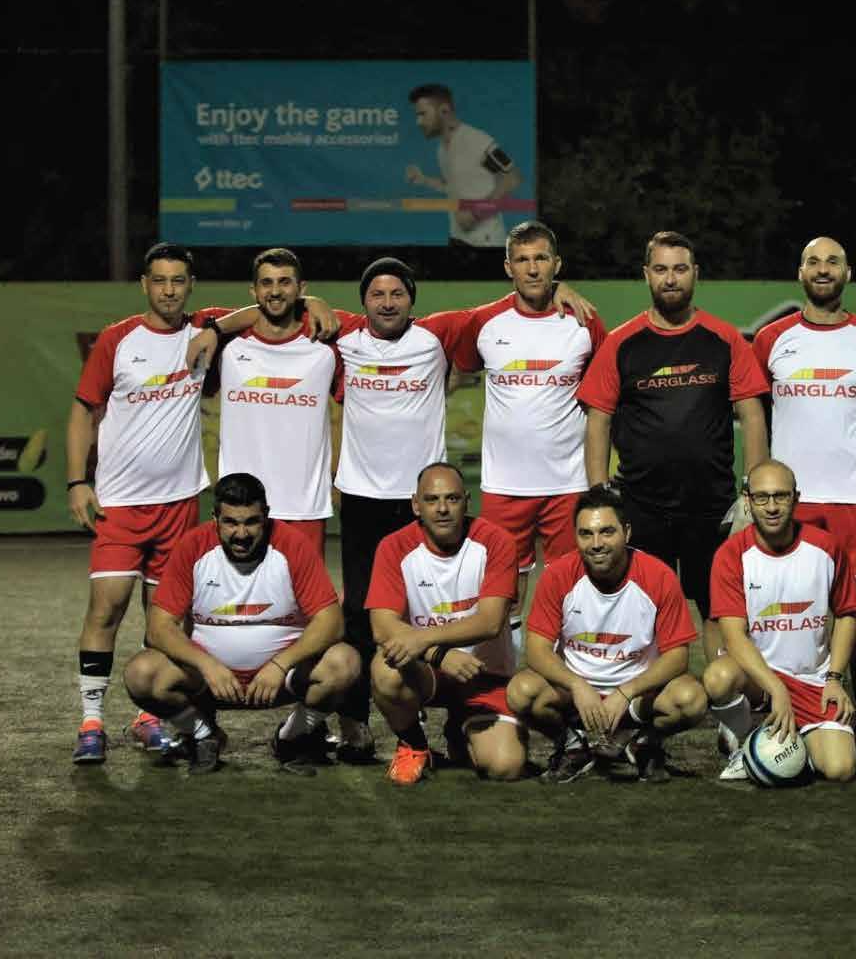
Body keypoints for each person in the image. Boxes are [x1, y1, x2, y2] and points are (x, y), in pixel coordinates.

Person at [186, 258, 593, 764]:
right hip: (362, 498)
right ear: (363, 302)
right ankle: (354, 726)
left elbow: (505, 306)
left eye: (397, 293)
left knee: (440, 606)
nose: (387, 302)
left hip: (423, 502)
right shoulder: (345, 334)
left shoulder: (437, 334)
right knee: (359, 614)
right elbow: (271, 307)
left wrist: (555, 289)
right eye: (377, 294)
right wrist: (218, 325)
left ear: (411, 299)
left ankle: (456, 711)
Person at [578, 230, 769, 682]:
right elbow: (598, 421)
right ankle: (647, 705)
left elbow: (752, 415)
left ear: (695, 274)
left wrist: (752, 493)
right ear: (646, 274)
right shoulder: (621, 343)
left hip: (712, 505)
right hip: (641, 506)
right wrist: (599, 495)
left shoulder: (724, 339)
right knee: (643, 610)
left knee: (718, 611)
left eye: (680, 269)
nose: (670, 279)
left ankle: (727, 703)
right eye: (661, 269)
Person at [67, 242, 230, 764]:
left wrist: (215, 329)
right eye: (159, 280)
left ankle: (149, 716)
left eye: (178, 280)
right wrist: (77, 481)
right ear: (144, 285)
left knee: (166, 620)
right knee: (107, 607)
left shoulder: (201, 328)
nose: (169, 290)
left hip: (179, 504)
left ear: (191, 285)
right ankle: (91, 721)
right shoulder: (117, 340)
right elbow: (83, 410)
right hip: (120, 505)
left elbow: (264, 310)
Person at [750, 236, 856, 755]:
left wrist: (853, 450)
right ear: (800, 272)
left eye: (832, 261)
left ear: (847, 272)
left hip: (853, 494)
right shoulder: (771, 340)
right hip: (788, 496)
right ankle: (773, 705)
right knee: (778, 599)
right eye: (813, 261)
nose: (822, 269)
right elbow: (757, 412)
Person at [121, 473, 358, 774]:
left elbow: (331, 621)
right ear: (215, 519)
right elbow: (159, 627)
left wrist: (280, 665)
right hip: (208, 680)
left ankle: (291, 737)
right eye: (231, 522)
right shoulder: (193, 546)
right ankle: (204, 736)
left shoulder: (292, 544)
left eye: (251, 522)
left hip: (283, 679)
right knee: (141, 673)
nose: (241, 534)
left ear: (266, 516)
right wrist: (207, 665)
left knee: (345, 663)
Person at [452, 220, 607, 650]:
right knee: (505, 595)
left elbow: (605, 396)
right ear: (508, 267)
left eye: (541, 258)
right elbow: (457, 371)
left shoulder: (584, 321)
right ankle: (504, 679)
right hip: (504, 485)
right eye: (522, 260)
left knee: (571, 590)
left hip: (568, 483)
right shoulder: (484, 322)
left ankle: (567, 675)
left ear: (557, 264)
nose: (533, 269)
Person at [507, 484, 708, 783]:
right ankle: (573, 746)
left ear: (626, 532)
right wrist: (577, 685)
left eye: (606, 532)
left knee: (691, 699)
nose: (596, 543)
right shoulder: (558, 575)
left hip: (638, 697)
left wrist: (626, 692)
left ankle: (641, 744)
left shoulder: (659, 576)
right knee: (521, 692)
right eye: (586, 534)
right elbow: (536, 650)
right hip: (575, 696)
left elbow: (678, 657)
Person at [704, 460, 856, 783]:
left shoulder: (826, 547)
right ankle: (743, 737)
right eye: (761, 497)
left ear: (796, 498)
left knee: (840, 769)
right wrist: (776, 688)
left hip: (813, 680)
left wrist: (834, 678)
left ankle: (791, 739)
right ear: (747, 500)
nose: (772, 507)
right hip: (757, 678)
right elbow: (733, 636)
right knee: (718, 677)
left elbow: (846, 614)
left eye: (780, 496)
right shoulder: (731, 555)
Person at [365, 463, 523, 784]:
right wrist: (440, 655)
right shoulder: (393, 547)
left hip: (484, 675)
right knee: (385, 669)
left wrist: (425, 641)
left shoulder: (497, 542)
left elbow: (490, 622)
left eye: (452, 498)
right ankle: (414, 745)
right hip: (427, 672)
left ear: (467, 502)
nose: (442, 509)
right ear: (416, 505)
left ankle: (459, 730)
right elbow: (382, 627)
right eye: (431, 499)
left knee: (505, 767)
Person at [215, 248, 339, 558]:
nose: (274, 291)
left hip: (304, 508)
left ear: (301, 288)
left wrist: (315, 303)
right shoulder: (226, 344)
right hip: (240, 510)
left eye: (285, 282)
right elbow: (197, 324)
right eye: (266, 283)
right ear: (253, 291)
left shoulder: (326, 346)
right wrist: (212, 330)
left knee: (305, 590)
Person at [405, 83, 523, 248]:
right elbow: (453, 186)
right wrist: (423, 179)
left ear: (444, 111)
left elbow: (512, 178)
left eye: (423, 114)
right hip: (457, 239)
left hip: (486, 241)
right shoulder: (442, 149)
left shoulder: (476, 141)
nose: (418, 122)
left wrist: (475, 215)